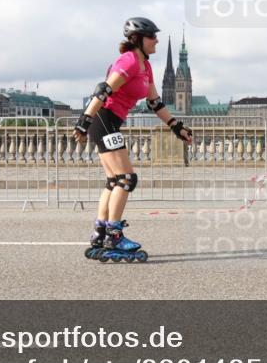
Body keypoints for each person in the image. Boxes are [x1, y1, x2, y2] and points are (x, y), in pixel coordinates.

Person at [73, 17, 193, 262]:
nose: (156, 40)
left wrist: (176, 126)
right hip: (103, 118)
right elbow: (103, 90)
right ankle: (114, 235)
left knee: (114, 181)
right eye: (152, 37)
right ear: (139, 39)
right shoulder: (128, 61)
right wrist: (84, 121)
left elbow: (155, 103)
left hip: (109, 122)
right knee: (127, 178)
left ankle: (101, 232)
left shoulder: (145, 66)